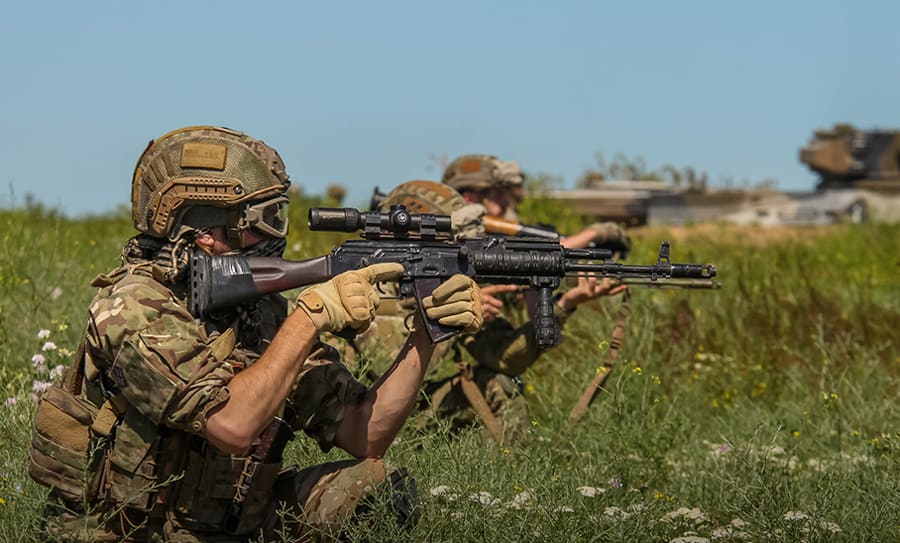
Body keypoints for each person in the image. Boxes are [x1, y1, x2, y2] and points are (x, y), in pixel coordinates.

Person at [27, 127, 483, 542]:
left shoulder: (260, 313)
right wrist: (310, 317)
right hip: (129, 532)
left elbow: (364, 435)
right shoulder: (130, 307)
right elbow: (232, 425)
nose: (274, 235)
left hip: (223, 524)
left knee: (376, 489)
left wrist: (427, 332)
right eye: (260, 220)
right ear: (205, 233)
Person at [347, 180, 626, 444]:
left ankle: (501, 486)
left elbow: (507, 361)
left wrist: (565, 305)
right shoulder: (368, 285)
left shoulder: (451, 280)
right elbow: (383, 366)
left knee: (500, 383)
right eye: (448, 237)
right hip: (363, 415)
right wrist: (446, 314)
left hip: (424, 414)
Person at [441, 153, 632, 252]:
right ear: (469, 198)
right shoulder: (452, 240)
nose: (505, 202)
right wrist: (595, 233)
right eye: (497, 194)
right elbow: (542, 253)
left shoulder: (497, 234)